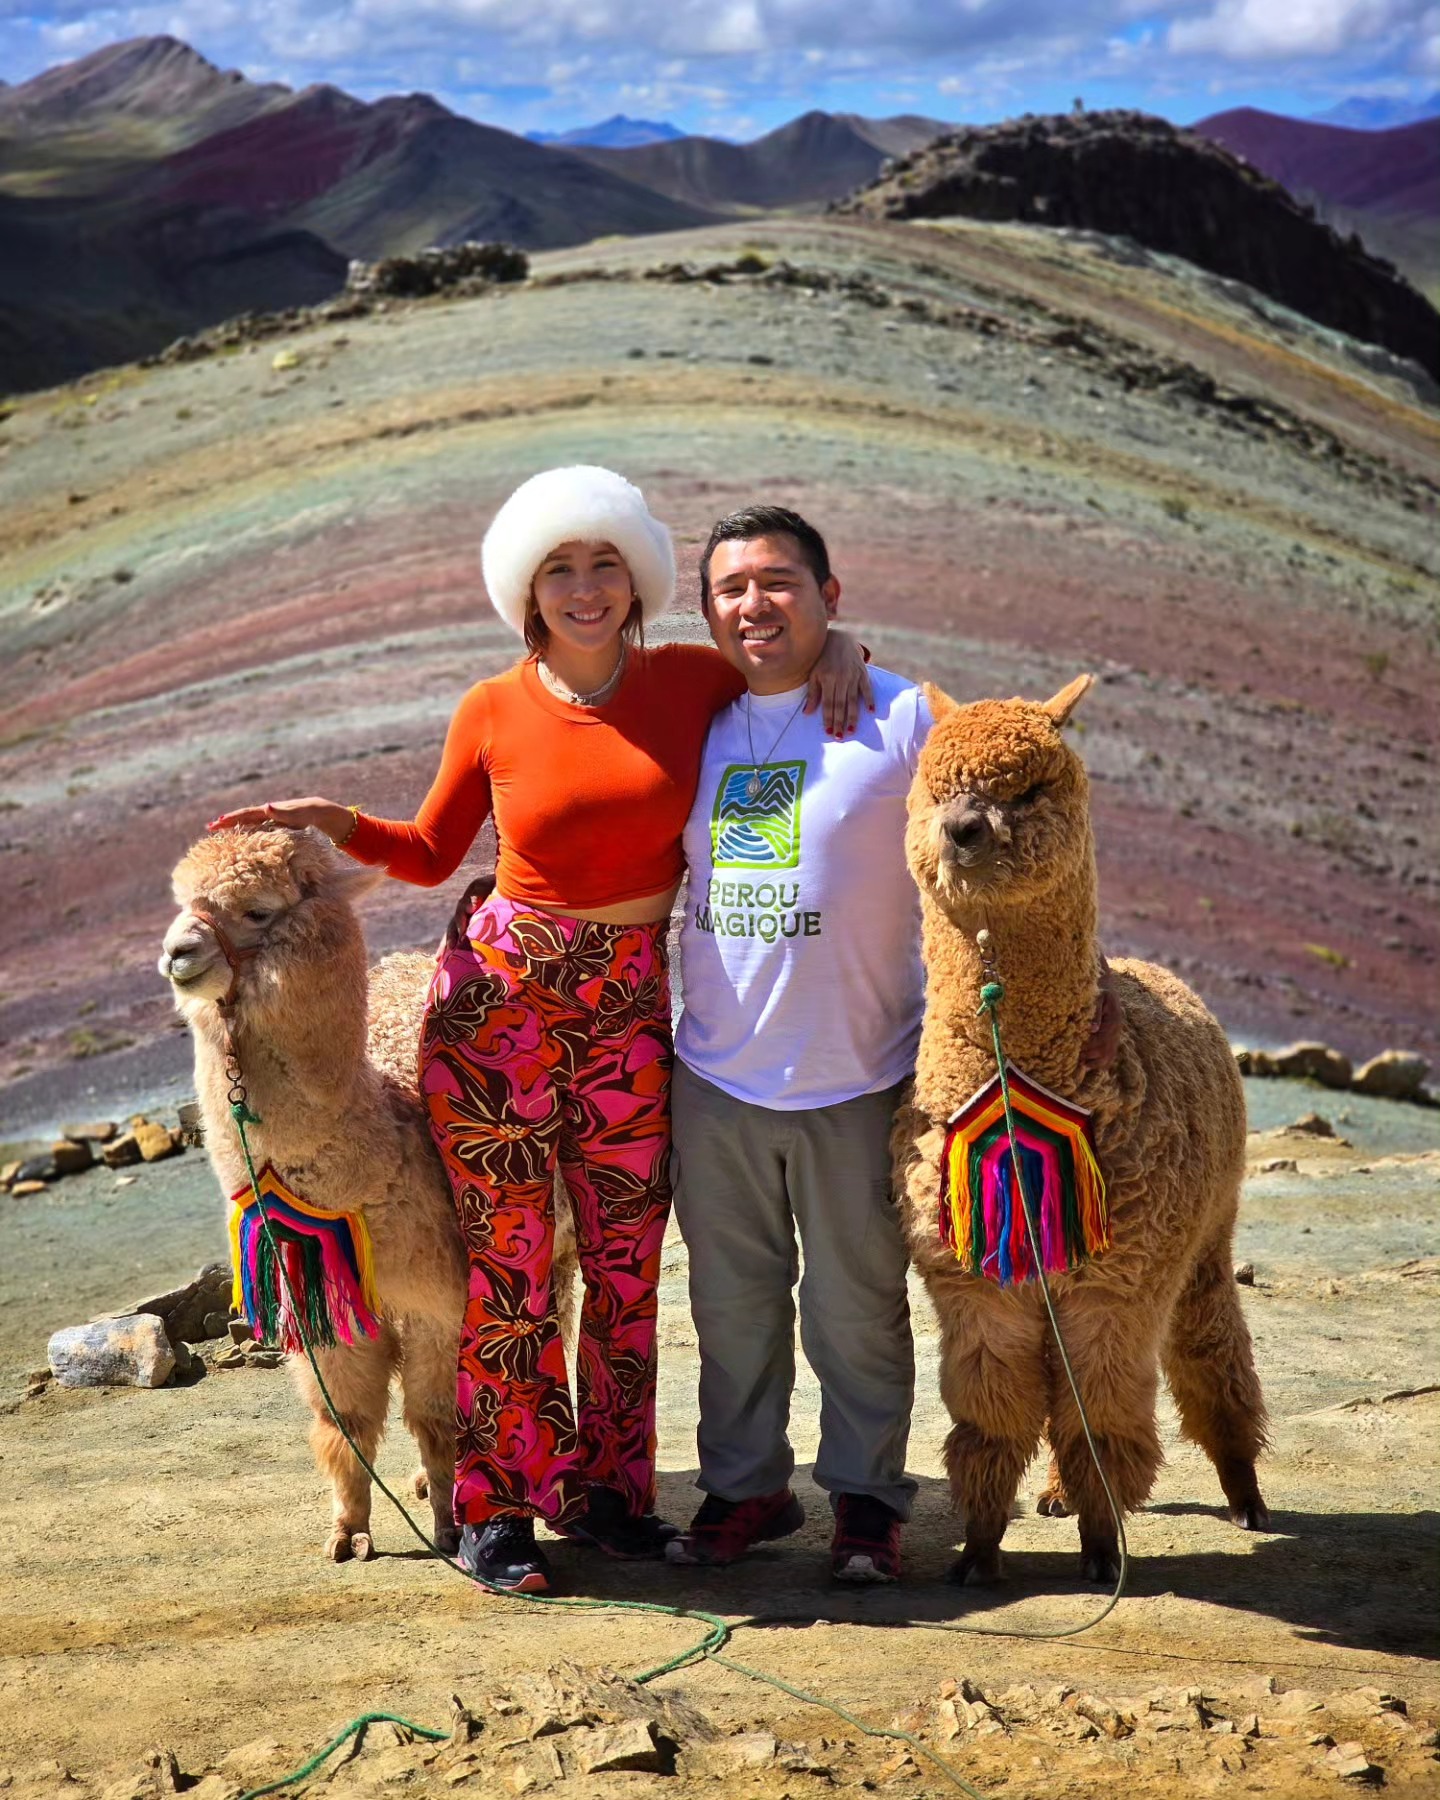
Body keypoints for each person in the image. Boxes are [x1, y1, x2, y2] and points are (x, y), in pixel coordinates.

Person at [209, 466, 866, 1595]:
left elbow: (787, 660)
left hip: (628, 1013)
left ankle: (604, 1495)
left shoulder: (691, 681)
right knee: (506, 1268)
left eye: (604, 562)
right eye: (559, 568)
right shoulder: (493, 706)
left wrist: (845, 649)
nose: (585, 586)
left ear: (639, 577)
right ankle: (497, 1506)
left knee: (622, 1265)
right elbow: (426, 849)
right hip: (501, 1009)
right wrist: (337, 822)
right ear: (527, 588)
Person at [665, 504, 932, 1584]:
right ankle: (746, 1492)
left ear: (832, 594)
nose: (753, 605)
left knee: (858, 1305)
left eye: (779, 582)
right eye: (731, 589)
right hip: (718, 1073)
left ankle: (867, 1502)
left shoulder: (903, 718)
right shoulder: (695, 721)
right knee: (730, 1307)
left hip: (862, 1074)